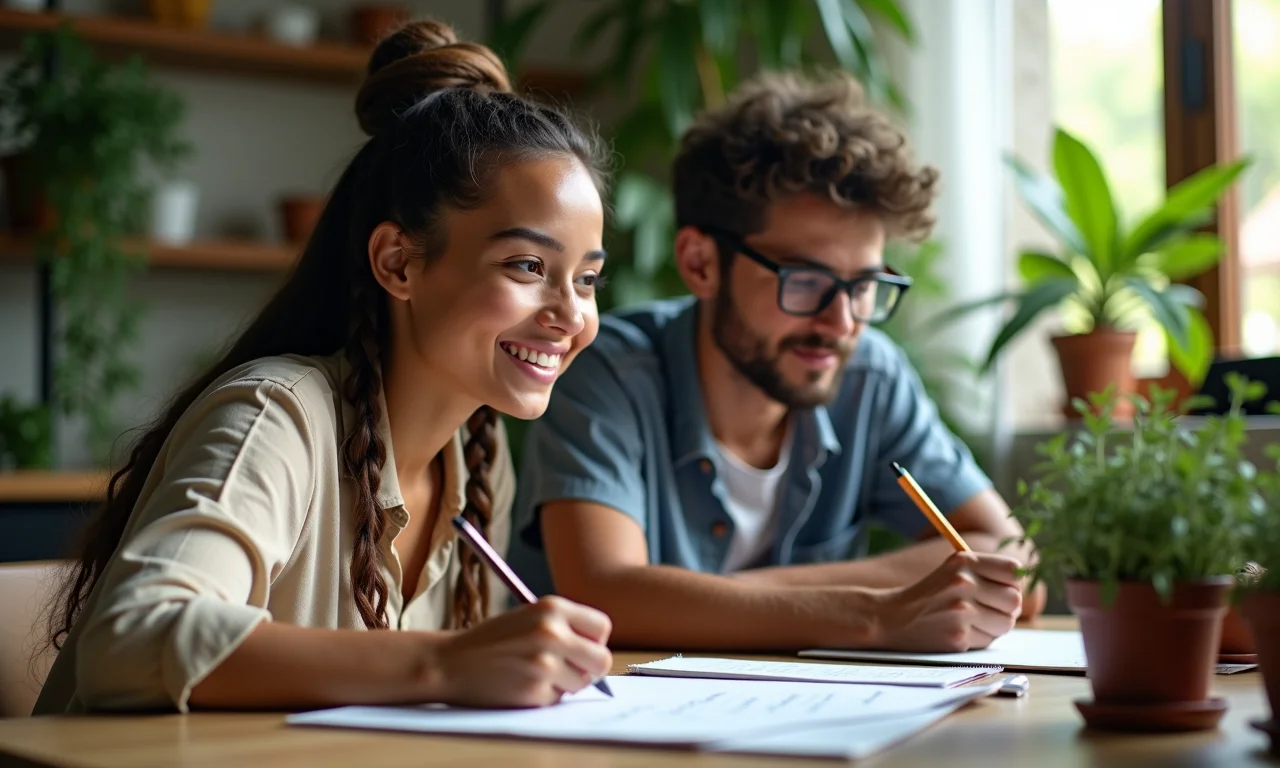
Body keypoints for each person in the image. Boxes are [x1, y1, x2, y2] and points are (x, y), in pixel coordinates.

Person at [33, 19, 613, 715]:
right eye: (527, 266)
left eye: (585, 279)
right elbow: (129, 640)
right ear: (399, 262)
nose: (571, 314)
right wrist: (444, 662)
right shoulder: (275, 416)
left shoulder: (478, 458)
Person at [508, 70, 1045, 652]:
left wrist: (714, 597)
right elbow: (605, 597)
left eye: (863, 284)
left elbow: (1011, 563)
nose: (841, 323)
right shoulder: (610, 372)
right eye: (806, 279)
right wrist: (873, 613)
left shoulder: (870, 378)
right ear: (701, 263)